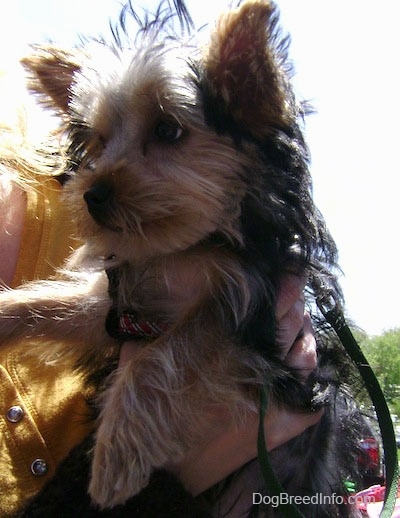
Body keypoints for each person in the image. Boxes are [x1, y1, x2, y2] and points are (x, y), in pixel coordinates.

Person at [0, 73, 321, 515]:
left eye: (167, 132)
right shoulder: (125, 240)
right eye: (98, 145)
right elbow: (114, 312)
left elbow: (224, 328)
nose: (98, 179)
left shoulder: (236, 249)